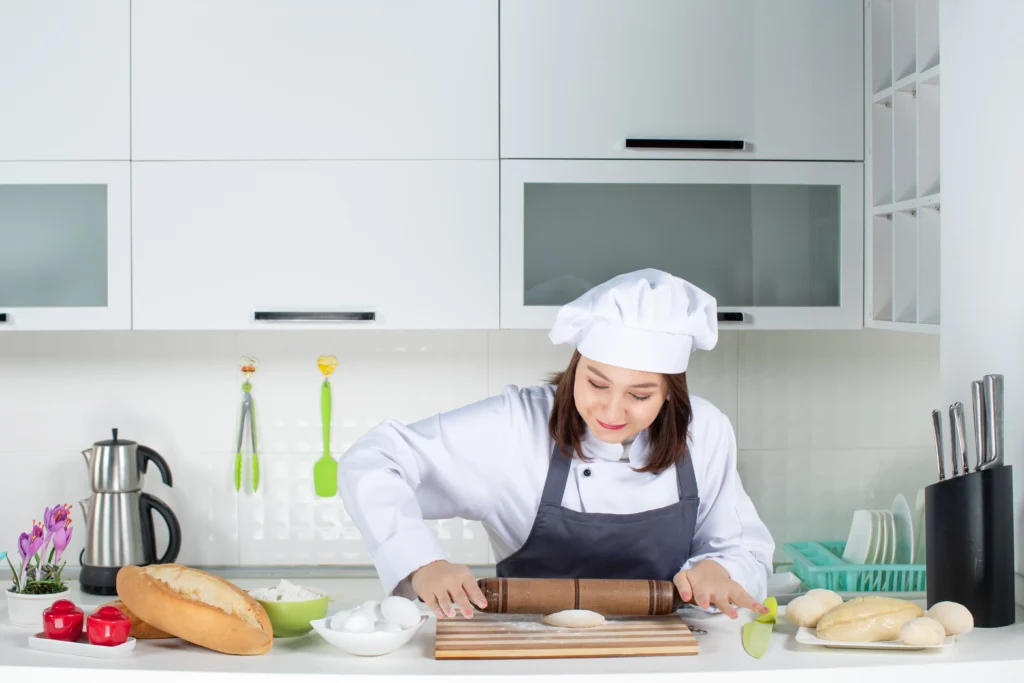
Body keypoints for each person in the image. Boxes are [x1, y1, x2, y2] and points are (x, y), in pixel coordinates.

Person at [338, 269, 774, 620]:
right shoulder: (515, 427)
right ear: (575, 367)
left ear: (669, 394)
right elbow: (375, 459)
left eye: (640, 395)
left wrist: (721, 570)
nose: (612, 411)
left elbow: (744, 549)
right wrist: (421, 562)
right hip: (528, 653)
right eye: (596, 384)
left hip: (668, 653)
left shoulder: (705, 431)